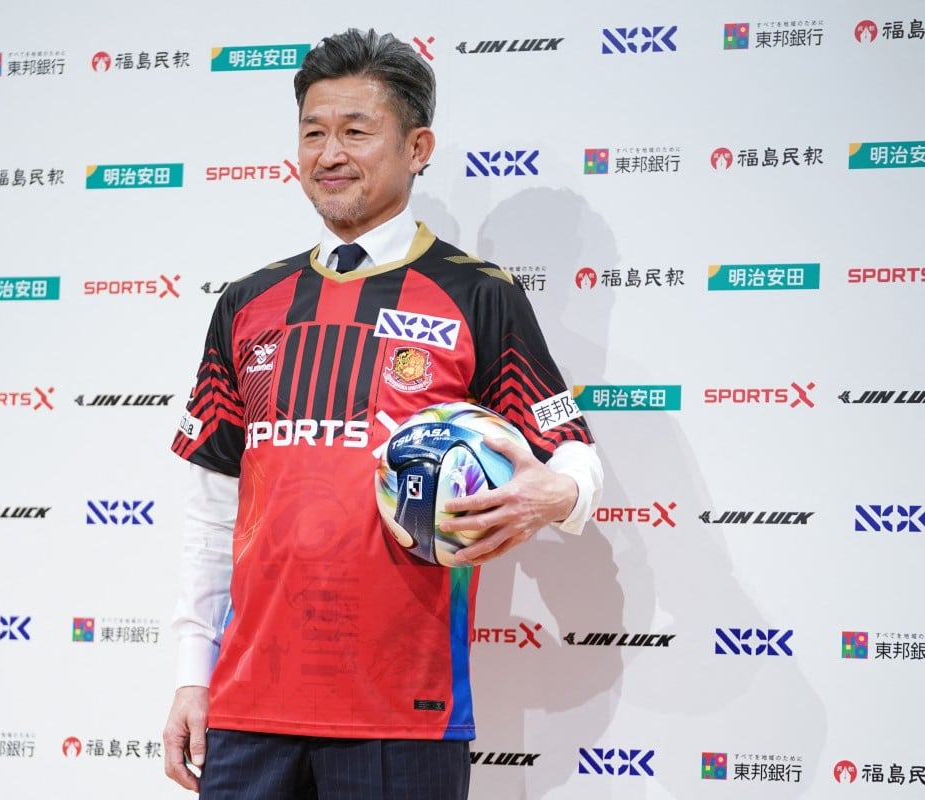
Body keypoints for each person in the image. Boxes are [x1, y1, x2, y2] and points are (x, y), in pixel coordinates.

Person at [163, 28, 603, 799]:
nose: (330, 154)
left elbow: (570, 451)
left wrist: (556, 494)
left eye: (356, 132)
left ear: (417, 147)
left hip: (404, 712)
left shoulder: (480, 294)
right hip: (247, 706)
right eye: (313, 133)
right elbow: (212, 508)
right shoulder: (247, 302)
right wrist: (191, 675)